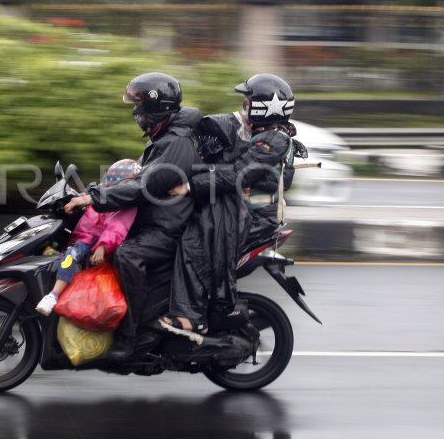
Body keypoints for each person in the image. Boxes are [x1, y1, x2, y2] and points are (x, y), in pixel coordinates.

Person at [65, 72, 201, 359]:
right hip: (154, 219)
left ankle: (134, 333)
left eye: (139, 104)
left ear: (155, 107)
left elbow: (143, 187)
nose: (135, 111)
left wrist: (94, 198)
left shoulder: (176, 144)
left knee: (127, 254)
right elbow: (131, 177)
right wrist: (94, 190)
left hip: (167, 228)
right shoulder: (163, 137)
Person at [161, 73, 306, 335]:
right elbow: (233, 168)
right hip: (245, 209)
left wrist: (191, 186)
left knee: (192, 242)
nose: (245, 105)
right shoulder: (265, 135)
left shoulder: (274, 139)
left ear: (266, 106)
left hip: (254, 217)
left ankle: (192, 318)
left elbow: (238, 174)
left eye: (249, 101)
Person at [35, 159, 141, 316]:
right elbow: (91, 199)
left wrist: (103, 246)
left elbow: (117, 227)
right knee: (51, 252)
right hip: (83, 237)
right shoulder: (103, 197)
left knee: (71, 255)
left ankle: (53, 296)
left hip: (94, 242)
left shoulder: (123, 206)